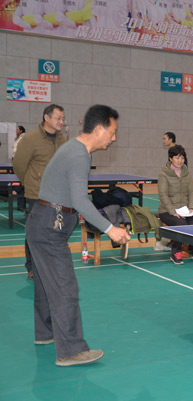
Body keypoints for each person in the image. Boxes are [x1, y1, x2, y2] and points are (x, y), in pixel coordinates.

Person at [26, 104, 130, 366]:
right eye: (113, 132)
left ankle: (45, 333)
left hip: (42, 222)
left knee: (46, 285)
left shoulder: (72, 147)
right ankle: (71, 350)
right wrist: (111, 228)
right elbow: (81, 201)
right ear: (99, 129)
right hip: (49, 227)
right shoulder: (79, 155)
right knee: (65, 288)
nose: (114, 138)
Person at [13, 104, 67, 281]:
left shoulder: (62, 138)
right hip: (36, 195)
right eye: (58, 118)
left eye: (63, 118)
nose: (61, 121)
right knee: (35, 232)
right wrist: (31, 182)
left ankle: (49, 265)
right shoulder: (30, 139)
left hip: (57, 194)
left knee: (53, 232)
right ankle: (32, 267)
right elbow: (19, 166)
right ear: (46, 117)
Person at [158, 145, 193, 264]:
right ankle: (176, 252)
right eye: (177, 158)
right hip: (166, 211)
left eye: (182, 158)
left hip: (184, 211)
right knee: (181, 224)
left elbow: (191, 192)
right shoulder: (164, 174)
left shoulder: (187, 173)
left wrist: (191, 208)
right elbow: (163, 195)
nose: (180, 161)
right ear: (170, 158)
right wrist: (173, 212)